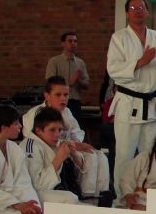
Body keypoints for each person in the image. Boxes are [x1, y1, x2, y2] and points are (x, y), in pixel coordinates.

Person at [107, 0, 156, 194]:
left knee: (152, 154)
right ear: (126, 13)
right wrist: (142, 61)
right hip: (128, 103)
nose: (138, 11)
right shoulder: (119, 38)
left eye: (141, 8)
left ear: (147, 12)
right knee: (124, 154)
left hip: (152, 104)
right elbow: (113, 70)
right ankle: (122, 197)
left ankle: (148, 194)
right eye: (133, 8)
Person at [22, 76, 111, 205]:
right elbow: (36, 137)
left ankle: (96, 197)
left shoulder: (67, 112)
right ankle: (87, 197)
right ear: (47, 95)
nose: (63, 98)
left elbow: (76, 132)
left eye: (66, 95)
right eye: (58, 95)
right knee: (90, 159)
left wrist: (73, 145)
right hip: (48, 155)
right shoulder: (35, 114)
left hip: (64, 148)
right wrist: (68, 147)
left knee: (99, 156)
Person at [21, 107, 83, 206]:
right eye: (52, 130)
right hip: (34, 195)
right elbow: (38, 185)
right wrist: (58, 159)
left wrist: (75, 156)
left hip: (58, 191)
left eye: (60, 130)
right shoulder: (30, 145)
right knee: (70, 198)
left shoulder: (56, 144)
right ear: (38, 130)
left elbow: (73, 177)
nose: (57, 135)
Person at [46, 31, 90, 122]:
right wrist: (70, 82)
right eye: (70, 41)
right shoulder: (54, 61)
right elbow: (50, 83)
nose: (73, 43)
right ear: (63, 43)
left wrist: (78, 80)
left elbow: (87, 85)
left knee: (74, 127)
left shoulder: (80, 62)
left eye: (75, 41)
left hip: (75, 101)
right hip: (58, 100)